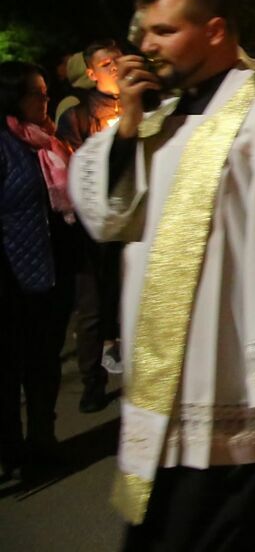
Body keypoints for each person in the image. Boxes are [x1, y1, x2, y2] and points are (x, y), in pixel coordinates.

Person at [68, 0, 255, 547]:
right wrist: (127, 129)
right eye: (144, 33)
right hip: (165, 385)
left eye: (165, 31)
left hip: (238, 389)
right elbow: (105, 217)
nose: (146, 46)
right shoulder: (150, 119)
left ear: (215, 31)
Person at [0, 61, 76, 480]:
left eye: (47, 92)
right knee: (9, 368)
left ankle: (43, 440)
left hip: (53, 269)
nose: (45, 100)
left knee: (44, 362)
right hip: (11, 278)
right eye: (37, 93)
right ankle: (11, 449)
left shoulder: (48, 141)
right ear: (13, 96)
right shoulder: (5, 143)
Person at [56, 41, 126, 413]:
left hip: (132, 220)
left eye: (118, 60)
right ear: (91, 72)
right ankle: (92, 383)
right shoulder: (78, 116)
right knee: (92, 308)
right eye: (106, 63)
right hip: (92, 229)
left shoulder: (139, 105)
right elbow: (72, 168)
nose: (114, 66)